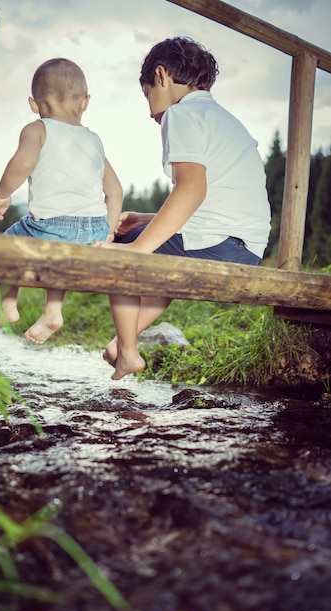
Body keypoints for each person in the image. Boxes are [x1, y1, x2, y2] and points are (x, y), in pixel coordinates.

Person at [94, 36, 271, 380]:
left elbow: (192, 189)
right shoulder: (222, 118)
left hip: (218, 242)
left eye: (147, 94)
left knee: (121, 253)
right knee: (157, 246)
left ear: (161, 76)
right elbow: (210, 198)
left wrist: (138, 248)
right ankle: (120, 344)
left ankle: (128, 353)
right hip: (245, 248)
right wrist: (146, 221)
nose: (150, 111)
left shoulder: (181, 113)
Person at [0, 58, 122, 344]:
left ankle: (9, 305)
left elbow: (23, 162)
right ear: (85, 102)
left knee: (6, 245)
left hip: (53, 225)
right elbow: (116, 191)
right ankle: (52, 312)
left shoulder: (37, 129)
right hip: (94, 229)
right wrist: (108, 229)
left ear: (34, 104)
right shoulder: (94, 140)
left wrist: (2, 194)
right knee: (62, 248)